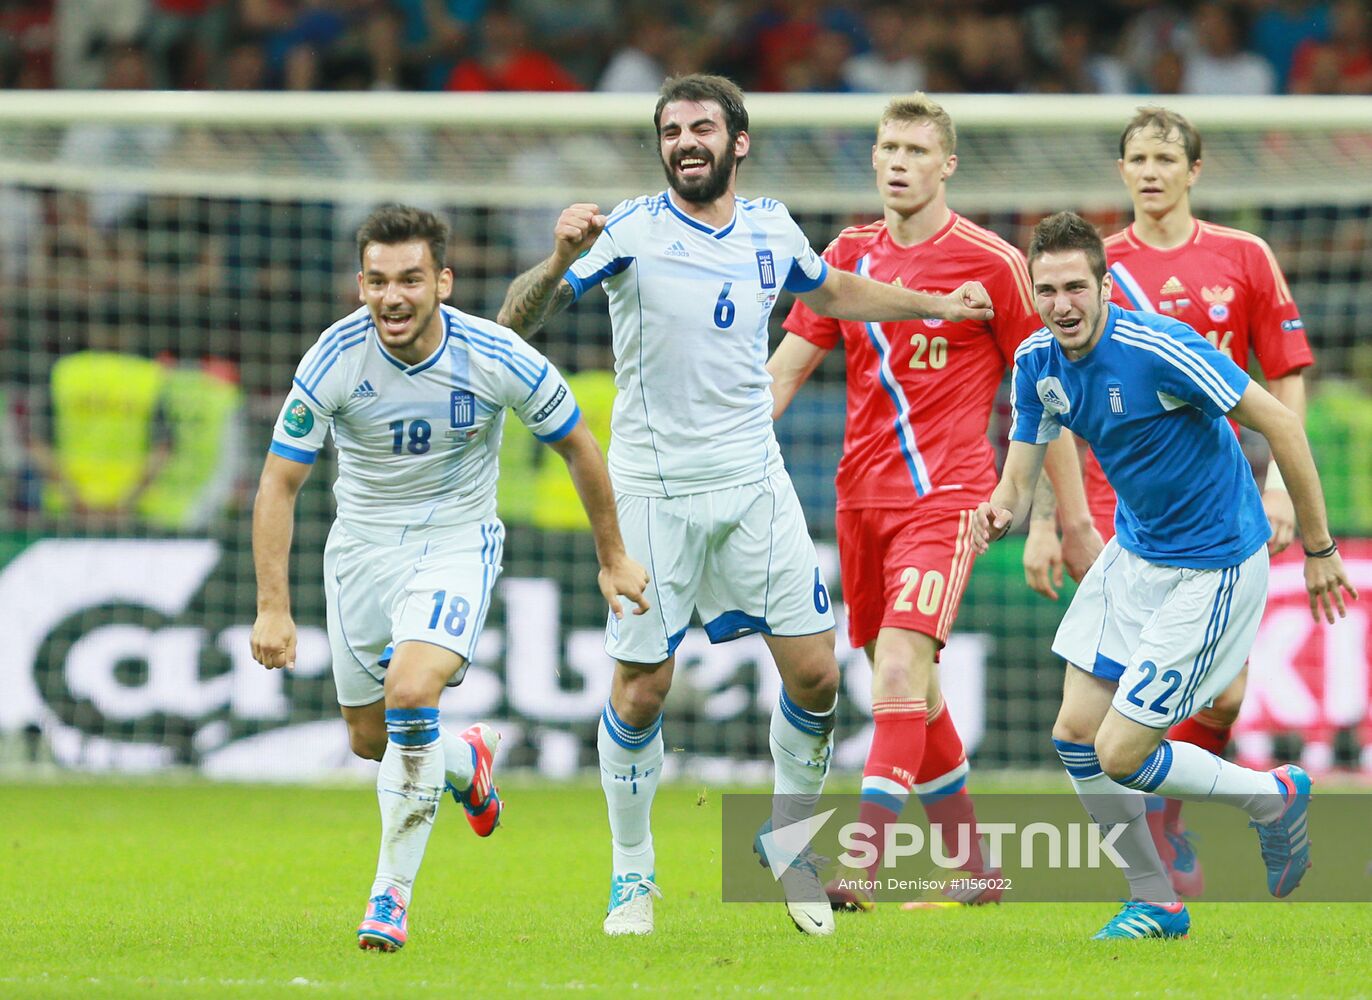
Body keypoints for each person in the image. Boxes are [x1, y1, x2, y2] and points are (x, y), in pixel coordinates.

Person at [497, 73, 994, 938]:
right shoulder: (628, 232)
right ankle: (632, 874)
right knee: (644, 688)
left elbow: (831, 291)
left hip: (754, 484)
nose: (685, 142)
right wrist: (555, 259)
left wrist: (934, 303)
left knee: (814, 673)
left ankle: (791, 844)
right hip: (653, 491)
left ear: (739, 142)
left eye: (701, 128)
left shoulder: (769, 225)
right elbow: (516, 326)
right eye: (671, 131)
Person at [250, 204, 649, 953]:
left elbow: (580, 447)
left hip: (455, 542)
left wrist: (612, 557)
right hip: (360, 552)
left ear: (442, 280)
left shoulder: (494, 353)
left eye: (408, 279)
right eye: (376, 281)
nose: (391, 297)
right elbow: (279, 484)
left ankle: (388, 899)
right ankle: (466, 761)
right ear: (360, 283)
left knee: (410, 694)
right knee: (374, 740)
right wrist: (273, 606)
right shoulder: (332, 358)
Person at [976, 210, 1355, 940]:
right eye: (1046, 289)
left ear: (1105, 285)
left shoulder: (1161, 346)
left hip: (1212, 566)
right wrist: (1001, 512)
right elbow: (1018, 478)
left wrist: (1318, 547)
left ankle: (1272, 795)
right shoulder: (1035, 363)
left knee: (1121, 752)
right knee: (1075, 734)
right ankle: (1155, 898)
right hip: (1135, 554)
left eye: (1075, 287)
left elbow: (1279, 421)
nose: (1061, 304)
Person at [771, 93, 1099, 912]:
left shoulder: (990, 262)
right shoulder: (845, 256)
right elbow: (785, 369)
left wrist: (1060, 518)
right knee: (921, 693)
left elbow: (1046, 391)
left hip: (948, 496)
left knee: (896, 667)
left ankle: (861, 866)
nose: (897, 162)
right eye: (888, 147)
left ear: (946, 164)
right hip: (859, 502)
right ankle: (977, 871)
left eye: (916, 150)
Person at [1024, 107, 1316, 897]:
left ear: (1194, 169)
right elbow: (1051, 403)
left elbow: (1283, 377)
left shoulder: (1241, 256)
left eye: (1165, 157)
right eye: (1137, 158)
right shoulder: (1084, 266)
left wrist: (1281, 487)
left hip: (1222, 508)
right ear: (1121, 170)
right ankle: (1155, 881)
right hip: (1131, 523)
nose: (1150, 171)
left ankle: (1194, 808)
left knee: (1221, 696)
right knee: (1088, 731)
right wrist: (1054, 518)